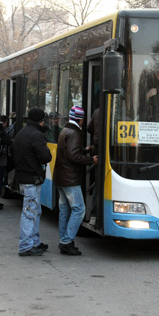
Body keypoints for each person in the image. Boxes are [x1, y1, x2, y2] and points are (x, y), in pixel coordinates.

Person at [53, 105, 98, 256]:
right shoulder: (74, 133)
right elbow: (73, 156)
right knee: (79, 209)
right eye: (83, 119)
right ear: (80, 119)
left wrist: (85, 150)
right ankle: (66, 241)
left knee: (65, 211)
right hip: (70, 179)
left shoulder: (65, 130)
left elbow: (70, 152)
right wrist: (91, 159)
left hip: (61, 177)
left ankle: (65, 240)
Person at [13, 107, 52, 256]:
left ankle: (35, 241)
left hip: (24, 176)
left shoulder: (21, 133)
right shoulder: (37, 135)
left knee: (35, 211)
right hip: (32, 178)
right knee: (30, 212)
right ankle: (25, 245)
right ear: (41, 121)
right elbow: (45, 157)